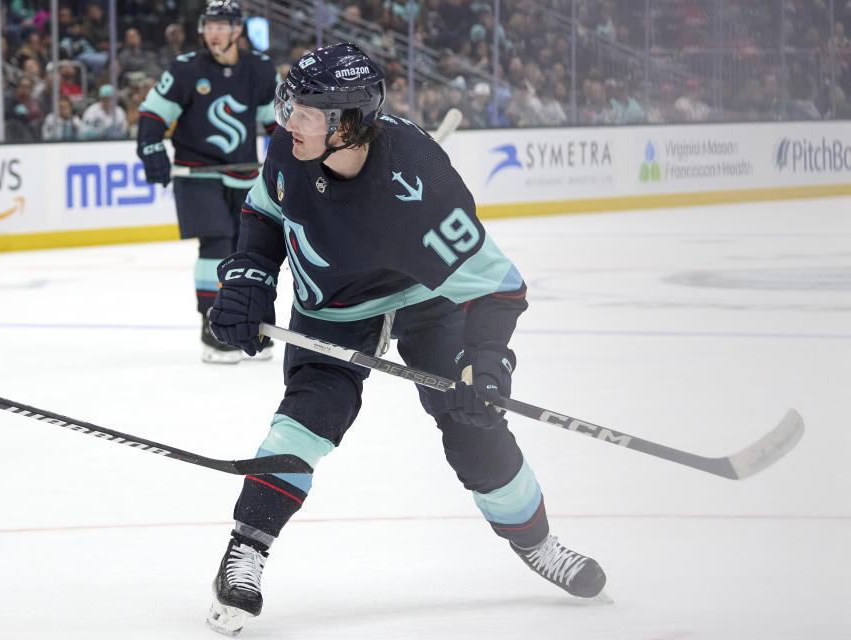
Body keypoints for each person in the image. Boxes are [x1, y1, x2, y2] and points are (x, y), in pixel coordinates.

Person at [203, 42, 607, 637]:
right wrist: (249, 276)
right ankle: (246, 551)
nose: (290, 120)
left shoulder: (420, 182)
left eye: (307, 113)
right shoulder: (289, 150)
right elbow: (263, 211)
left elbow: (499, 286)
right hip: (333, 307)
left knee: (473, 422)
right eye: (291, 106)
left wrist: (486, 360)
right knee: (308, 416)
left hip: (424, 299)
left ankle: (537, 544)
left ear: (347, 125)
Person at [136, 0, 279, 364]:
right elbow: (153, 113)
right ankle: (212, 325)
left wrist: (292, 159)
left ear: (237, 30)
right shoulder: (186, 70)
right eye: (209, 26)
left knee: (247, 248)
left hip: (244, 173)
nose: (213, 33)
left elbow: (274, 123)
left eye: (221, 26)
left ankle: (247, 322)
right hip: (196, 172)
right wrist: (151, 148)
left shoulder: (260, 68)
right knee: (216, 242)